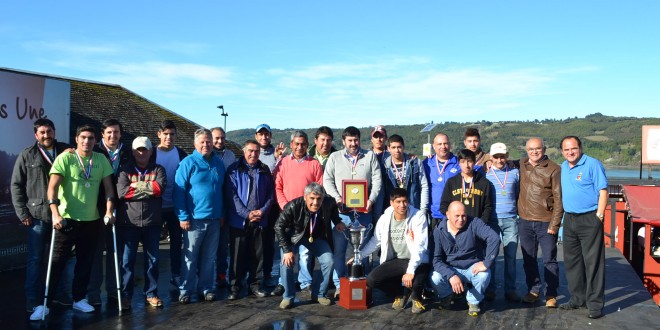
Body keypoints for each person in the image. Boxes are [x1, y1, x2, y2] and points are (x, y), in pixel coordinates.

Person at [36, 125, 116, 316]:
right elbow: (52, 188)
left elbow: (109, 189)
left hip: (92, 220)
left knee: (85, 262)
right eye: (83, 137)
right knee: (56, 262)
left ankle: (79, 299)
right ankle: (43, 304)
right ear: (76, 139)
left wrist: (109, 211)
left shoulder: (100, 159)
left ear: (95, 140)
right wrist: (55, 213)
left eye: (90, 138)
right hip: (67, 220)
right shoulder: (65, 157)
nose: (86, 141)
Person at [11, 118, 73, 318]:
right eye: (42, 132)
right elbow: (16, 186)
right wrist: (23, 213)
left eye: (49, 131)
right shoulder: (26, 155)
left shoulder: (67, 150)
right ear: (36, 135)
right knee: (36, 260)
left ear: (55, 131)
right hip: (38, 217)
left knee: (61, 259)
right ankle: (33, 299)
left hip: (62, 215)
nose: (47, 135)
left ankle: (61, 295)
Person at [323, 126, 382, 297]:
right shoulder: (334, 157)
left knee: (361, 252)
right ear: (343, 141)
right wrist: (337, 198)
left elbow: (377, 181)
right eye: (349, 140)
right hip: (341, 214)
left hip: (364, 213)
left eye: (356, 140)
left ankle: (361, 283)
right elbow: (327, 180)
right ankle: (340, 284)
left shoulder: (369, 156)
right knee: (339, 251)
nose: (353, 143)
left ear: (359, 140)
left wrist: (371, 200)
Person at [357, 188, 430, 314]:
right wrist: (359, 255)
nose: (402, 205)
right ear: (391, 202)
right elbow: (376, 241)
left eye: (405, 201)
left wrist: (410, 271)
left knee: (416, 283)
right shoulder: (385, 218)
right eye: (398, 202)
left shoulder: (418, 217)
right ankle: (401, 293)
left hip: (417, 261)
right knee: (372, 280)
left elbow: (420, 247)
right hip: (397, 261)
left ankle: (417, 296)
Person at [173, 128, 226, 303]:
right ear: (195, 143)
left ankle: (205, 288)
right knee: (190, 257)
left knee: (209, 258)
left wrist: (222, 214)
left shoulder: (218, 163)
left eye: (208, 141)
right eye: (202, 142)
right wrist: (183, 216)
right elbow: (178, 192)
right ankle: (185, 290)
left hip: (214, 219)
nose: (206, 144)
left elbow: (222, 191)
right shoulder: (188, 163)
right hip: (194, 220)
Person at [559, 136, 608, 319]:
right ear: (562, 151)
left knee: (593, 263)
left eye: (573, 148)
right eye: (566, 150)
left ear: (580, 148)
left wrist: (599, 216)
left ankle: (595, 305)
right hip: (570, 219)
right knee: (573, 263)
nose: (570, 152)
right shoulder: (564, 167)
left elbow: (603, 190)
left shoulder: (593, 164)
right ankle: (577, 299)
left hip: (589, 219)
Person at [275, 183, 345, 309]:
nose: (315, 203)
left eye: (319, 199)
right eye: (312, 198)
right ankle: (288, 297)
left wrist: (337, 222)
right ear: (305, 197)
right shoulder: (293, 206)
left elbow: (333, 212)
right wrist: (286, 250)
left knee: (328, 261)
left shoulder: (329, 202)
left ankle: (319, 294)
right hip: (293, 237)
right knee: (286, 263)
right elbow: (278, 226)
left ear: (323, 198)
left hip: (315, 237)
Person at [271, 131, 324, 296]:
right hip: (287, 215)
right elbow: (277, 187)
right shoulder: (282, 163)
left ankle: (305, 282)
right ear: (291, 144)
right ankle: (284, 283)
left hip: (308, 216)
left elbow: (319, 188)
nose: (300, 147)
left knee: (305, 253)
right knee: (286, 252)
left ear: (307, 145)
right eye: (296, 143)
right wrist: (285, 206)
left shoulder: (314, 163)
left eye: (303, 144)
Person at [116, 137, 166, 308]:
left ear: (151, 151)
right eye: (138, 149)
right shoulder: (125, 170)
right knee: (127, 261)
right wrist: (148, 188)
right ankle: (126, 296)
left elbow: (159, 189)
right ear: (133, 151)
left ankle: (151, 294)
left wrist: (135, 186)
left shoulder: (159, 169)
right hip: (129, 223)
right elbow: (122, 193)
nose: (141, 152)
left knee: (152, 261)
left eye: (145, 149)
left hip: (152, 223)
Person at [88, 119, 133, 306]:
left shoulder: (128, 153)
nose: (113, 136)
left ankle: (115, 292)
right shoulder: (94, 151)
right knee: (96, 253)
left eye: (116, 132)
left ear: (121, 134)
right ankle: (93, 294)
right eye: (109, 132)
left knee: (117, 252)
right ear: (103, 134)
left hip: (123, 208)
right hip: (97, 207)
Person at [224, 139, 275, 300]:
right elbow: (231, 196)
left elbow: (270, 194)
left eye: (256, 151)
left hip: (260, 219)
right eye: (250, 151)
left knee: (257, 256)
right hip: (239, 221)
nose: (253, 154)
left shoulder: (264, 169)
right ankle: (235, 286)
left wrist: (263, 211)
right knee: (237, 256)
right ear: (244, 151)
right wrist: (247, 214)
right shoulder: (233, 170)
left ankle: (255, 285)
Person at [430, 201, 500, 316]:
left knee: (484, 275)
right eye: (457, 216)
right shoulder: (439, 230)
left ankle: (473, 300)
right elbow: (436, 260)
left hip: (471, 267)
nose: (461, 219)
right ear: (447, 215)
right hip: (450, 267)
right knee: (434, 277)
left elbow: (494, 238)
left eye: (463, 215)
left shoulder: (475, 223)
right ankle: (447, 296)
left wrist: (487, 262)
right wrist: (451, 275)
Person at [517, 138, 563, 308]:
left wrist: (555, 224)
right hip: (525, 221)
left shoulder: (554, 169)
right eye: (530, 149)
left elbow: (559, 199)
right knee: (529, 260)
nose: (534, 152)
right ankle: (534, 291)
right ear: (526, 150)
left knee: (549, 260)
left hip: (545, 222)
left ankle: (551, 293)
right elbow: (501, 162)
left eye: (537, 149)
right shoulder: (522, 164)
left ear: (544, 149)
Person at [150, 120, 188, 288]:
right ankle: (152, 281)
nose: (169, 137)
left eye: (172, 134)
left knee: (175, 244)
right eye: (165, 134)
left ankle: (176, 274)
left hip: (175, 206)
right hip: (155, 206)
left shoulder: (180, 153)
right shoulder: (151, 153)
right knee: (153, 247)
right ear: (159, 134)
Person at [483, 143, 520, 302]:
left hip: (511, 220)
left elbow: (518, 192)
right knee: (491, 257)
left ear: (507, 156)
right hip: (491, 221)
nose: (499, 160)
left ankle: (510, 290)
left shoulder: (515, 172)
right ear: (490, 158)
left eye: (503, 156)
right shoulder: (485, 174)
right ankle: (490, 289)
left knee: (510, 258)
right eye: (496, 157)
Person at [254, 123, 285, 288]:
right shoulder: (252, 154)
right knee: (257, 243)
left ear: (270, 136)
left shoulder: (277, 155)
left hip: (273, 205)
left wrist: (279, 159)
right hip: (256, 206)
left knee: (271, 242)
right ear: (256, 136)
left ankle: (267, 273)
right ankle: (255, 274)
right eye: (261, 134)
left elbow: (279, 177)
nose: (264, 137)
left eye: (267, 134)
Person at [211, 126, 237, 289]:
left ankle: (221, 275)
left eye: (222, 138)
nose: (220, 141)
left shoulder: (231, 155)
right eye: (217, 138)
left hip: (226, 205)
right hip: (210, 205)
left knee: (222, 245)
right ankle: (203, 276)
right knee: (206, 246)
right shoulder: (206, 155)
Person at [440, 149, 493, 224]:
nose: (466, 165)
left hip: (477, 226)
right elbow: (444, 205)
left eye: (469, 161)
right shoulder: (451, 182)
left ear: (474, 163)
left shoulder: (484, 182)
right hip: (457, 225)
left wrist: (481, 223)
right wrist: (453, 219)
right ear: (459, 163)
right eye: (463, 162)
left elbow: (488, 206)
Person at [382, 134, 429, 214]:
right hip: (393, 211)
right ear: (388, 148)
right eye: (393, 147)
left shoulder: (415, 163)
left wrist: (423, 210)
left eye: (399, 147)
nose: (397, 150)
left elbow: (424, 186)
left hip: (413, 208)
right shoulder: (384, 166)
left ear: (403, 147)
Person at [422, 133, 461, 227]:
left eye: (445, 143)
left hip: (453, 215)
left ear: (450, 145)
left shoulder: (458, 162)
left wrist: (487, 161)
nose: (443, 146)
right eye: (439, 144)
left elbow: (474, 167)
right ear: (434, 146)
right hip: (433, 214)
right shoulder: (426, 163)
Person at [370, 125, 390, 219]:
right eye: (376, 137)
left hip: (389, 193)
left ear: (386, 138)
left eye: (381, 136)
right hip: (371, 194)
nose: (379, 139)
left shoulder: (392, 154)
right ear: (372, 139)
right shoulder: (365, 155)